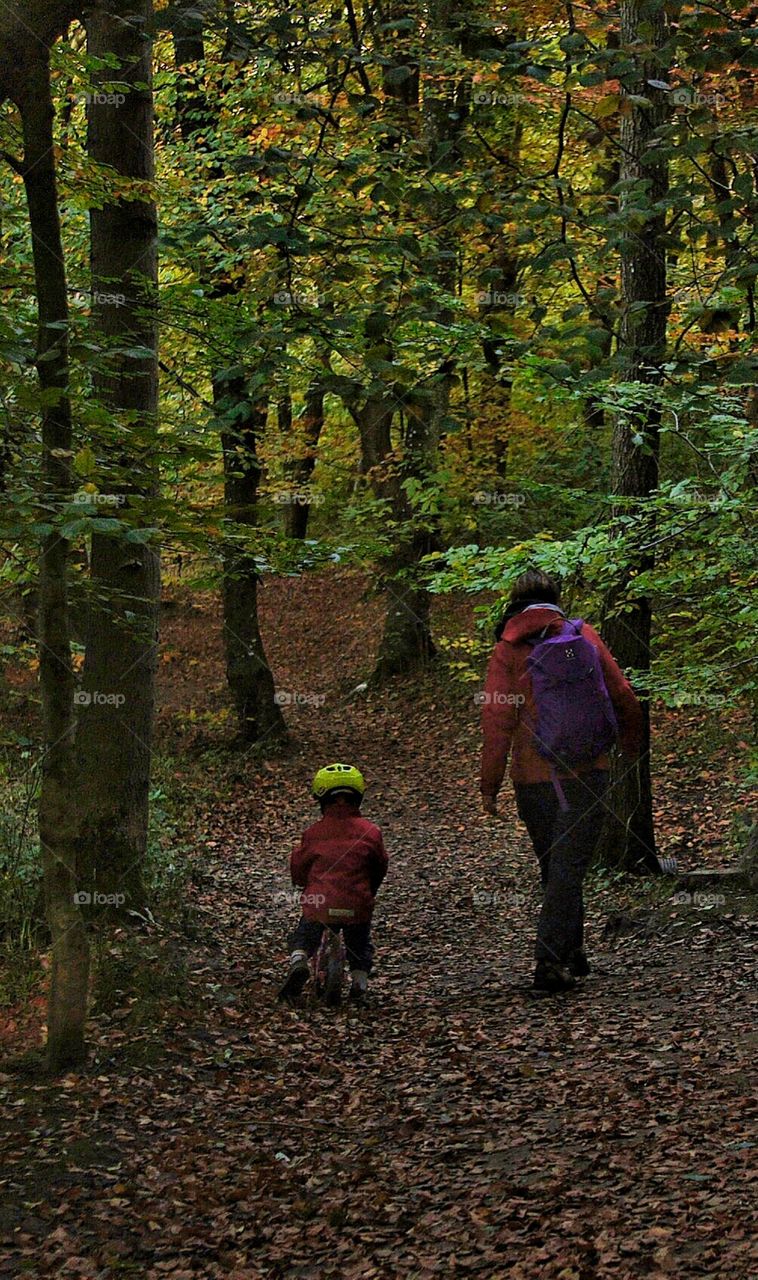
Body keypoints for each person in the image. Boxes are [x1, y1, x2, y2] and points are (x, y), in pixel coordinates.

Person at [480, 569, 643, 993]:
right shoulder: (582, 634)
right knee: (567, 867)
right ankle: (559, 956)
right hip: (588, 772)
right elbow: (622, 692)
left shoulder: (508, 648)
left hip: (533, 777)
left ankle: (558, 956)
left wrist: (490, 783)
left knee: (556, 866)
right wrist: (631, 745)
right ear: (556, 597)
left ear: (514, 603)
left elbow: (497, 718)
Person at [277, 763, 388, 1004]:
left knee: (305, 934)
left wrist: (300, 883)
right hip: (356, 903)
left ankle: (298, 960)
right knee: (359, 944)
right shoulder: (370, 832)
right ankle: (359, 983)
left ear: (321, 799)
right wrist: (370, 889)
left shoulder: (313, 833)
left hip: (320, 902)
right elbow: (379, 866)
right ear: (357, 798)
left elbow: (299, 865)